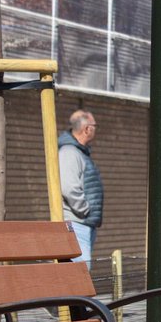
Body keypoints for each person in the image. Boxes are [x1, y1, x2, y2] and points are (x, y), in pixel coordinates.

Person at [58, 109, 103, 264]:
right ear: (86, 129)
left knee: (82, 272)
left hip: (83, 223)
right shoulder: (69, 153)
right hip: (76, 223)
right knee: (79, 274)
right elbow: (69, 188)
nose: (95, 129)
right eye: (95, 125)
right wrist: (84, 210)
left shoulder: (79, 152)